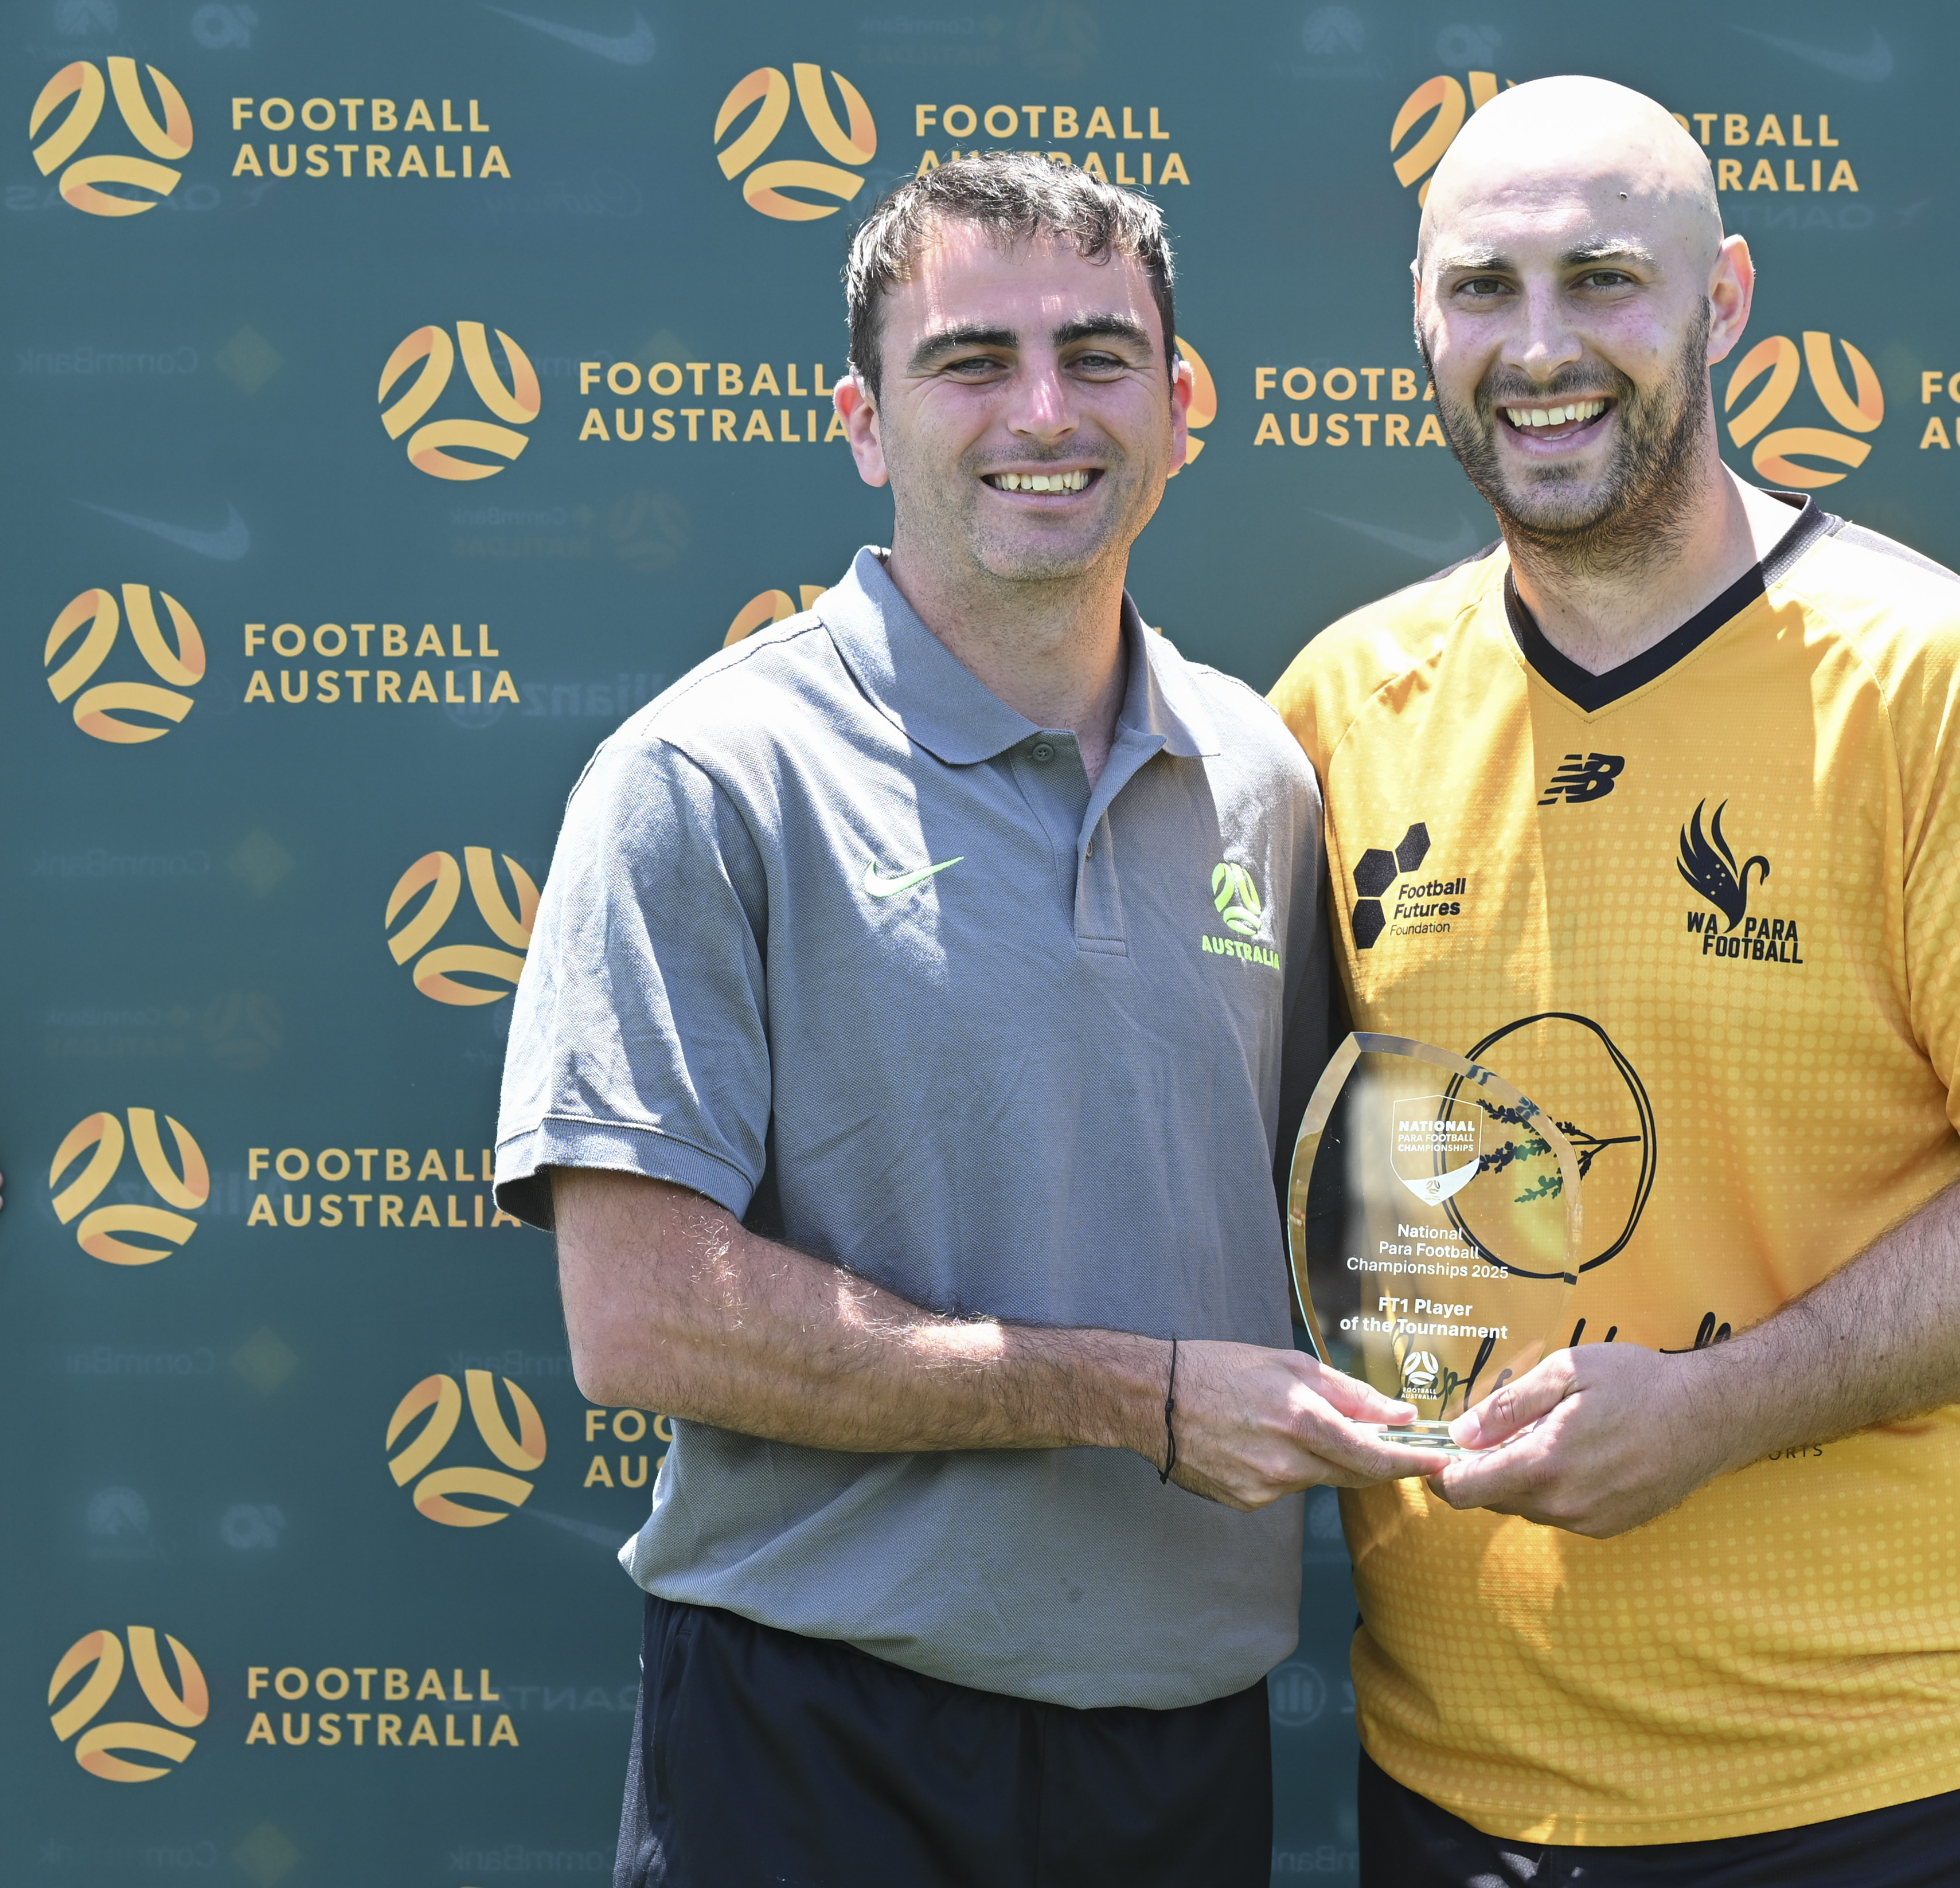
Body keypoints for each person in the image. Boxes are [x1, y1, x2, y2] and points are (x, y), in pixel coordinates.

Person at [1268, 78, 1960, 1885]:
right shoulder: (1335, 709)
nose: (1537, 347)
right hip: (1458, 1789)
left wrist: (1714, 1411)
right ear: (1418, 321)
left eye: (1602, 278)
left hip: (1886, 1792)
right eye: (1481, 290)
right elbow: (1328, 1197)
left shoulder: (1926, 679)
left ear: (1724, 301)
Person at [492, 153, 1440, 1887]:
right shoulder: (704, 779)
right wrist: (1132, 1398)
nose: (1041, 411)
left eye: (1096, 356)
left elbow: (1350, 1234)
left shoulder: (1262, 776)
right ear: (865, 422)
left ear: (1180, 406)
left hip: (1182, 1740)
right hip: (815, 1734)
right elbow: (641, 1327)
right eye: (967, 362)